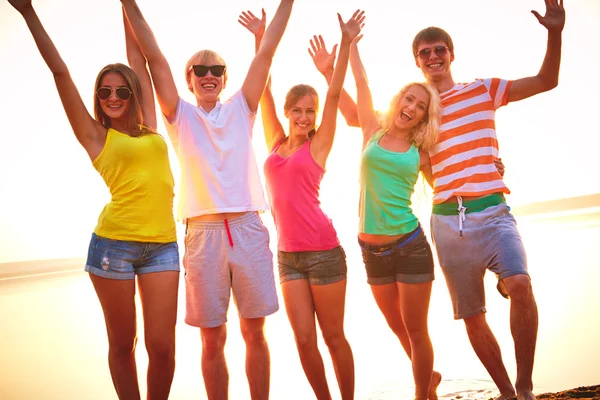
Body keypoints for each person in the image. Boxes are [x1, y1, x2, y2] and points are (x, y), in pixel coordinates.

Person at [120, 1, 295, 399]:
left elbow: (269, 47)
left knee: (254, 333)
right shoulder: (179, 115)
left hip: (248, 228)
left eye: (217, 70)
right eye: (200, 70)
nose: (209, 75)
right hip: (203, 234)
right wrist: (127, 5)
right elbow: (153, 58)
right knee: (212, 340)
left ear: (225, 77)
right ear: (189, 79)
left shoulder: (242, 108)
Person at [7, 1, 180, 399]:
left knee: (164, 349)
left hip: (163, 248)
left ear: (133, 93)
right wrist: (29, 13)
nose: (113, 96)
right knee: (124, 345)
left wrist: (126, 5)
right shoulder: (95, 136)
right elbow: (60, 72)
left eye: (121, 90)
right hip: (112, 248)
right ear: (98, 97)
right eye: (105, 91)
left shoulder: (150, 127)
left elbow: (137, 54)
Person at [411, 2, 565, 399]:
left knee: (520, 284)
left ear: (451, 54)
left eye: (439, 49)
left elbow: (546, 81)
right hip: (448, 222)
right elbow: (420, 164)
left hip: (494, 212)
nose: (433, 56)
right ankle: (506, 393)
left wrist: (554, 32)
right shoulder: (419, 113)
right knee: (473, 316)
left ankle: (526, 387)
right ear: (417, 62)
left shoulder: (482, 89)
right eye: (424, 52)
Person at [239, 9, 364, 400]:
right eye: (298, 110)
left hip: (325, 252)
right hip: (287, 257)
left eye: (309, 112)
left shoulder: (319, 145)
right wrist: (260, 38)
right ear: (289, 113)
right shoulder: (276, 142)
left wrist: (345, 43)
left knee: (332, 336)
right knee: (305, 342)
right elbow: (265, 89)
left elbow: (333, 92)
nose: (305, 117)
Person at [345, 33, 442, 400]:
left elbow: (447, 188)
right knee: (398, 327)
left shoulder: (421, 152)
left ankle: (423, 395)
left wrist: (491, 170)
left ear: (423, 116)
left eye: (419, 105)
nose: (412, 106)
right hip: (371, 251)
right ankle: (428, 379)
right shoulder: (373, 130)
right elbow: (361, 83)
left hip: (409, 245)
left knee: (417, 330)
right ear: (399, 100)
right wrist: (350, 45)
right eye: (409, 98)